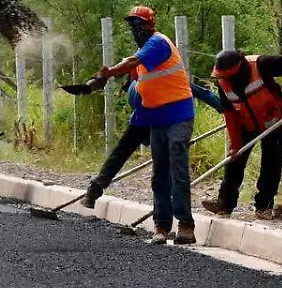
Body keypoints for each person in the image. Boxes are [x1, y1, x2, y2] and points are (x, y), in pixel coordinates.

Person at [101, 6, 197, 245]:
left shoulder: (158, 43)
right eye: (132, 25)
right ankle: (161, 226)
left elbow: (133, 61)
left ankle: (186, 226)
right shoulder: (143, 51)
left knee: (178, 166)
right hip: (156, 118)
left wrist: (111, 71)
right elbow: (140, 80)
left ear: (148, 25)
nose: (134, 29)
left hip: (178, 116)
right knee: (159, 172)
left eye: (138, 24)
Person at [201, 50, 282, 220]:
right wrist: (235, 144)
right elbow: (230, 114)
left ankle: (264, 206)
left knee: (271, 164)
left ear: (240, 68)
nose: (228, 80)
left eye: (230, 76)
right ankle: (225, 204)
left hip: (273, 120)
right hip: (245, 122)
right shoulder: (223, 82)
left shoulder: (262, 65)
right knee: (234, 161)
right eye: (224, 77)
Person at [79, 78, 221, 209]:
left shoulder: (141, 76)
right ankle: (167, 201)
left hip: (144, 118)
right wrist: (223, 107)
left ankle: (94, 191)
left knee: (121, 153)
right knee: (163, 161)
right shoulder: (168, 77)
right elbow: (202, 93)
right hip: (154, 119)